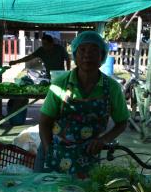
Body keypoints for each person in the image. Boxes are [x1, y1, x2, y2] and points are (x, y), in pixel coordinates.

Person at [37, 31, 128, 178]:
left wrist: (103, 140)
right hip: (55, 151)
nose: (88, 55)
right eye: (83, 50)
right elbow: (44, 123)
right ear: (75, 54)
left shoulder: (111, 87)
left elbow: (122, 123)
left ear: (102, 56)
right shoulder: (61, 84)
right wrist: (49, 151)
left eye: (94, 50)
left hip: (88, 157)